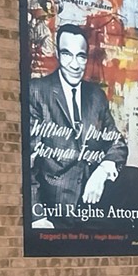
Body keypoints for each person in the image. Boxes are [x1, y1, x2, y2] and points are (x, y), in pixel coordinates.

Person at [28, 23, 128, 228]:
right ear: (57, 54)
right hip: (52, 213)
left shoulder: (96, 97)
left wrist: (101, 172)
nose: (74, 65)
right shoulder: (37, 92)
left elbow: (117, 144)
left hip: (93, 209)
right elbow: (27, 162)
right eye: (67, 54)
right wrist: (37, 216)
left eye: (80, 56)